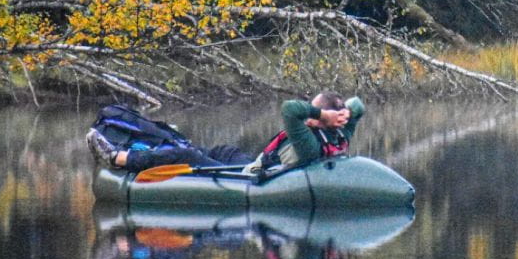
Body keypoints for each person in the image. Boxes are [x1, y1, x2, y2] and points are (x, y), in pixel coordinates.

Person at [86, 92, 364, 173]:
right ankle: (164, 147)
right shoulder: (341, 134)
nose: (309, 115)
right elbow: (357, 104)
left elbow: (290, 109)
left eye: (314, 113)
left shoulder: (308, 140)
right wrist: (341, 115)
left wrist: (322, 115)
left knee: (187, 155)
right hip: (256, 166)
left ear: (317, 120)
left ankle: (118, 159)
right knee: (223, 151)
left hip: (255, 180)